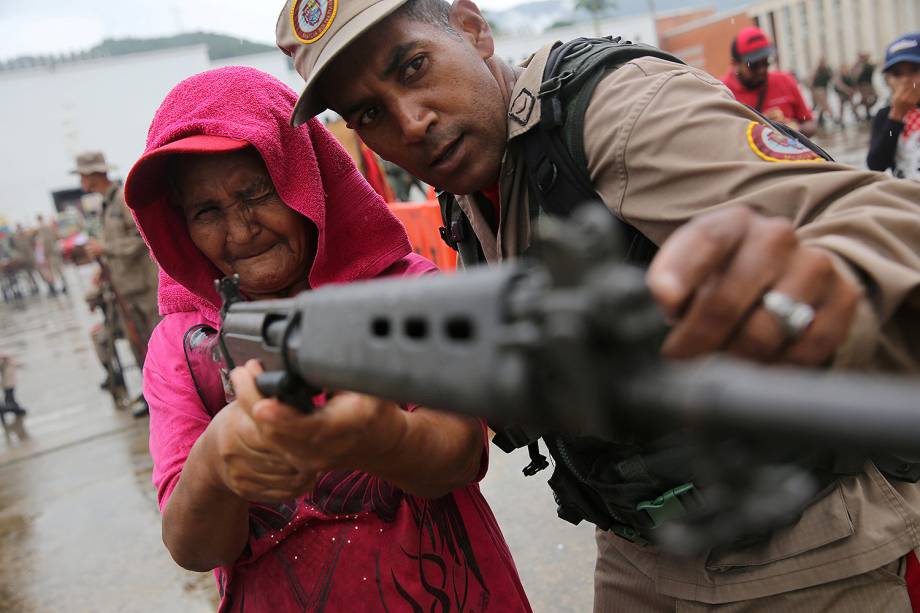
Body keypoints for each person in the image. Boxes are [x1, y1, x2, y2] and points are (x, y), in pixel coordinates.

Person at [277, 0, 920, 610]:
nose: (411, 122)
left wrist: (832, 285)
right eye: (368, 114)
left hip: (803, 545)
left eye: (414, 67)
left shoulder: (619, 110)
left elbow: (870, 219)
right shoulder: (472, 179)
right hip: (641, 544)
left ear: (471, 29)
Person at [123, 66, 531, 612]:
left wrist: (378, 437)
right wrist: (218, 461)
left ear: (305, 178)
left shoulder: (404, 292)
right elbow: (193, 547)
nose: (241, 231)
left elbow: (461, 455)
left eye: (256, 193)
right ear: (178, 226)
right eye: (206, 211)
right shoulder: (181, 346)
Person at [75, 151, 160, 418]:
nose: (80, 181)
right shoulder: (106, 204)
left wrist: (106, 248)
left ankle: (164, 395)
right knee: (138, 345)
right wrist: (106, 267)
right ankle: (152, 395)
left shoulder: (123, 200)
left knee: (155, 344)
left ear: (92, 175)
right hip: (125, 288)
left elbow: (141, 238)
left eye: (82, 175)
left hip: (143, 287)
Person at [721, 26, 816, 136]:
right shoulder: (722, 93)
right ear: (735, 64)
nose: (762, 70)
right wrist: (760, 126)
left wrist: (794, 130)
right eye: (753, 65)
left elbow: (810, 124)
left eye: (766, 62)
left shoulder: (785, 80)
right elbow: (723, 139)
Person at [867, 33, 920, 181]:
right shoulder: (885, 116)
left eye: (914, 70)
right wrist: (896, 116)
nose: (905, 80)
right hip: (905, 196)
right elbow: (877, 164)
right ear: (888, 80)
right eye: (897, 74)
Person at [34, 214, 67, 296]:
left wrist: (45, 254)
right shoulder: (48, 227)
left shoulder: (42, 229)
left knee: (56, 270)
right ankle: (62, 285)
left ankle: (62, 286)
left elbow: (46, 242)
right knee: (57, 270)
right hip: (53, 252)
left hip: (51, 253)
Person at [809, 56, 834, 127]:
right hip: (818, 89)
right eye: (822, 61)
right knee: (825, 105)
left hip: (824, 89)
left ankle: (820, 119)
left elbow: (831, 77)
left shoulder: (827, 69)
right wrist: (812, 92)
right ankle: (834, 118)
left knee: (821, 105)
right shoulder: (817, 69)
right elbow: (812, 80)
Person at [854, 51, 879, 121]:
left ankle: (865, 111)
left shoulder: (868, 65)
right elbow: (856, 75)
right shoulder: (860, 65)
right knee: (865, 99)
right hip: (863, 85)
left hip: (869, 84)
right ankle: (866, 113)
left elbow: (875, 66)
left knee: (875, 97)